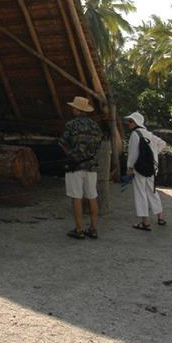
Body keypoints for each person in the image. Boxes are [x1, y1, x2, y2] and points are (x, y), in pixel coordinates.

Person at [59, 96, 103, 239]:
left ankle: (79, 229)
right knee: (92, 196)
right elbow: (99, 144)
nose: (72, 109)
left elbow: (62, 143)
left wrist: (71, 154)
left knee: (76, 197)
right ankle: (93, 228)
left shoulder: (71, 125)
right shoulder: (95, 126)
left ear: (78, 110)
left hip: (75, 166)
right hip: (91, 166)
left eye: (73, 107)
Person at [124, 111, 168, 231]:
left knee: (140, 192)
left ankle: (145, 221)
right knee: (152, 191)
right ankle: (160, 217)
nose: (129, 123)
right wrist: (153, 155)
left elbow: (132, 154)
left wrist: (129, 168)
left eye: (130, 121)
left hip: (140, 168)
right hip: (152, 168)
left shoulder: (135, 134)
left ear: (136, 122)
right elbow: (163, 144)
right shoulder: (149, 134)